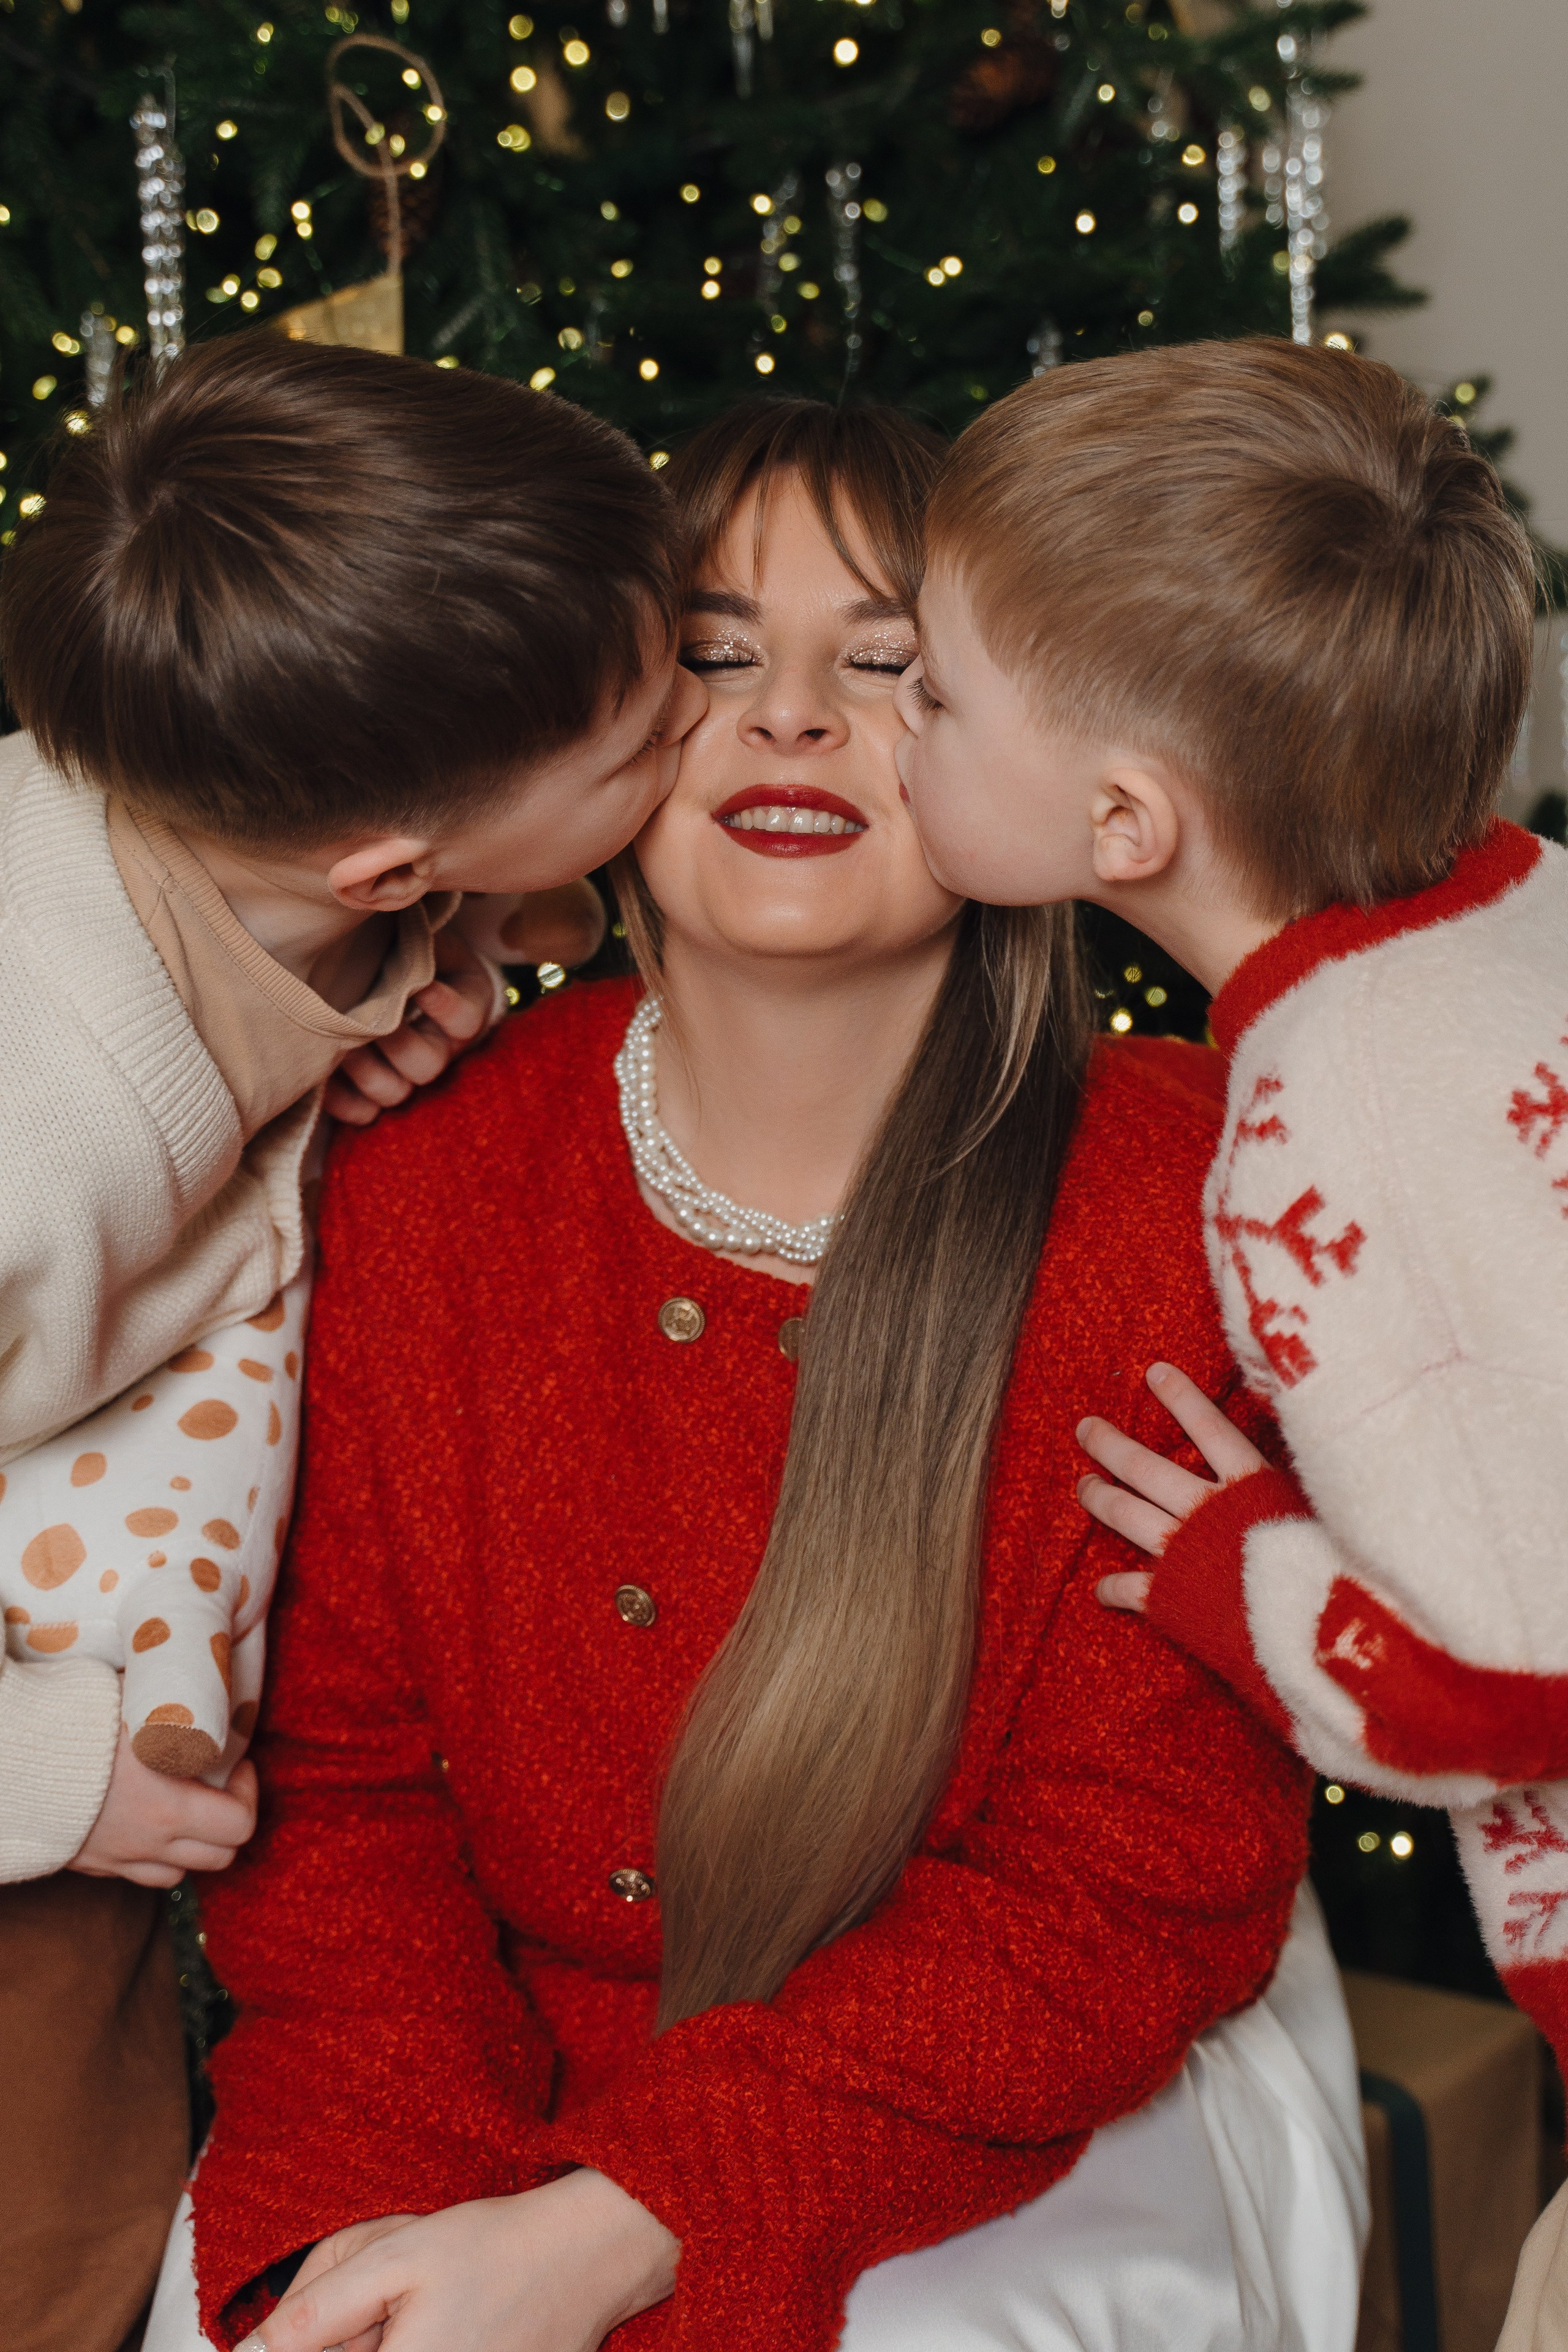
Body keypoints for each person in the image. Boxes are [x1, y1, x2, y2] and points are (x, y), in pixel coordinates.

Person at [154, 398, 1366, 2352]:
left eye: (886, 667)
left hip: (1013, 2101)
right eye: (713, 659)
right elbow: (347, 1804)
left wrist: (626, 2228)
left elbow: (1128, 1887)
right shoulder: (412, 1175)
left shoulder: (1205, 1196)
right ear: (590, 734)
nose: (791, 717)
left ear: (1029, 748)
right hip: (461, 2073)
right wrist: (381, 2223)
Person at [0, 331, 697, 2352]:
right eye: (653, 731)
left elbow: (462, 902)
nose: (704, 740)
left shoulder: (267, 818)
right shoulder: (33, 1123)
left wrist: (452, 959)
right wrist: (43, 1778)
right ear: (377, 861)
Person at [892, 336, 1568, 2334]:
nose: (891, 732)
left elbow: (1488, 1689)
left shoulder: (1311, 1119)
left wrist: (1227, 1562)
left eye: (929, 692)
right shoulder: (1516, 906)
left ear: (1121, 825)